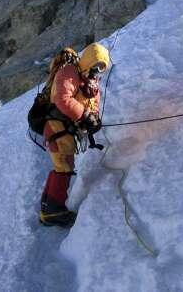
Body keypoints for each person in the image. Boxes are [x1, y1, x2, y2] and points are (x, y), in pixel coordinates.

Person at [39, 43, 111, 227]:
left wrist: (92, 120)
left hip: (65, 131)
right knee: (63, 167)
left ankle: (47, 207)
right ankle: (53, 212)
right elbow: (62, 99)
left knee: (62, 166)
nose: (97, 70)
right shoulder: (69, 72)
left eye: (101, 67)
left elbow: (91, 104)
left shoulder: (89, 80)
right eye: (95, 65)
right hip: (57, 129)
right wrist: (85, 116)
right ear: (87, 60)